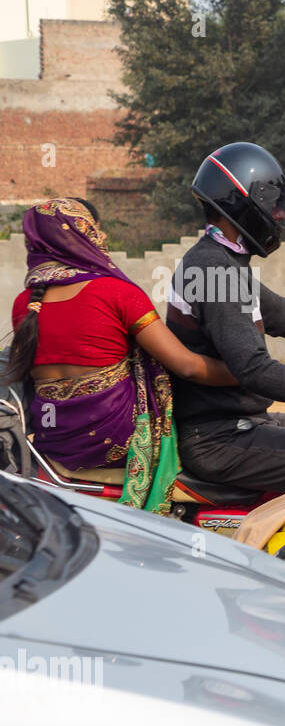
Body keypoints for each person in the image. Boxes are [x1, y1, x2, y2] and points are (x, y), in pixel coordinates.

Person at [4, 197, 236, 512]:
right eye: (94, 230)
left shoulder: (25, 304)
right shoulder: (117, 293)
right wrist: (245, 375)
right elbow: (188, 366)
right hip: (115, 440)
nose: (102, 238)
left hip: (54, 439)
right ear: (81, 235)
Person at [166, 142, 285, 494]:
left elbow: (284, 315)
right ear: (243, 203)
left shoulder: (224, 262)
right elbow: (253, 367)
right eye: (272, 208)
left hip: (246, 423)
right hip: (219, 438)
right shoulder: (213, 269)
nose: (277, 218)